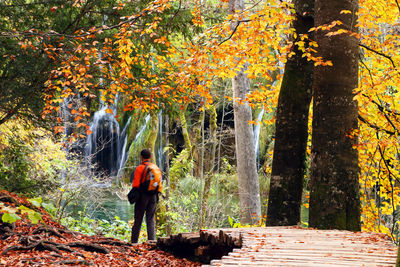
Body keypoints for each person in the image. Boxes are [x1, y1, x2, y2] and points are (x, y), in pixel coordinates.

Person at [130, 149, 161, 243]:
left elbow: (135, 184)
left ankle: (134, 242)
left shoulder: (140, 168)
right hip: (154, 196)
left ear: (141, 157)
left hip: (143, 196)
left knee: (138, 219)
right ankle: (152, 242)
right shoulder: (155, 167)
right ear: (150, 157)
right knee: (150, 219)